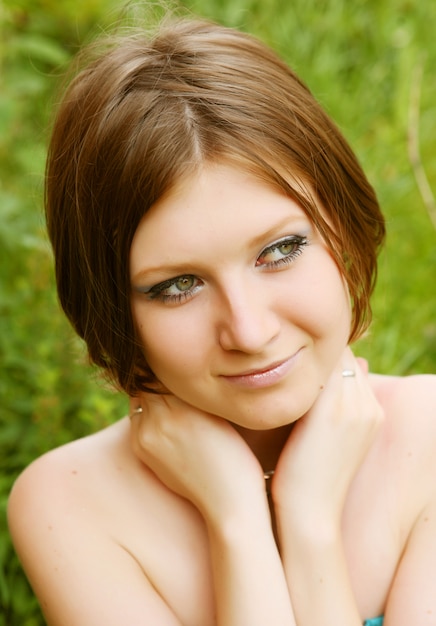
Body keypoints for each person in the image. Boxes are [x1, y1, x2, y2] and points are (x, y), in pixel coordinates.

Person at [7, 14, 436, 626]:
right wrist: (237, 520)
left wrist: (309, 519)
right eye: (178, 286)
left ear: (339, 227)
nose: (250, 331)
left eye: (280, 251)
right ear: (110, 306)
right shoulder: (71, 504)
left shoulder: (431, 443)